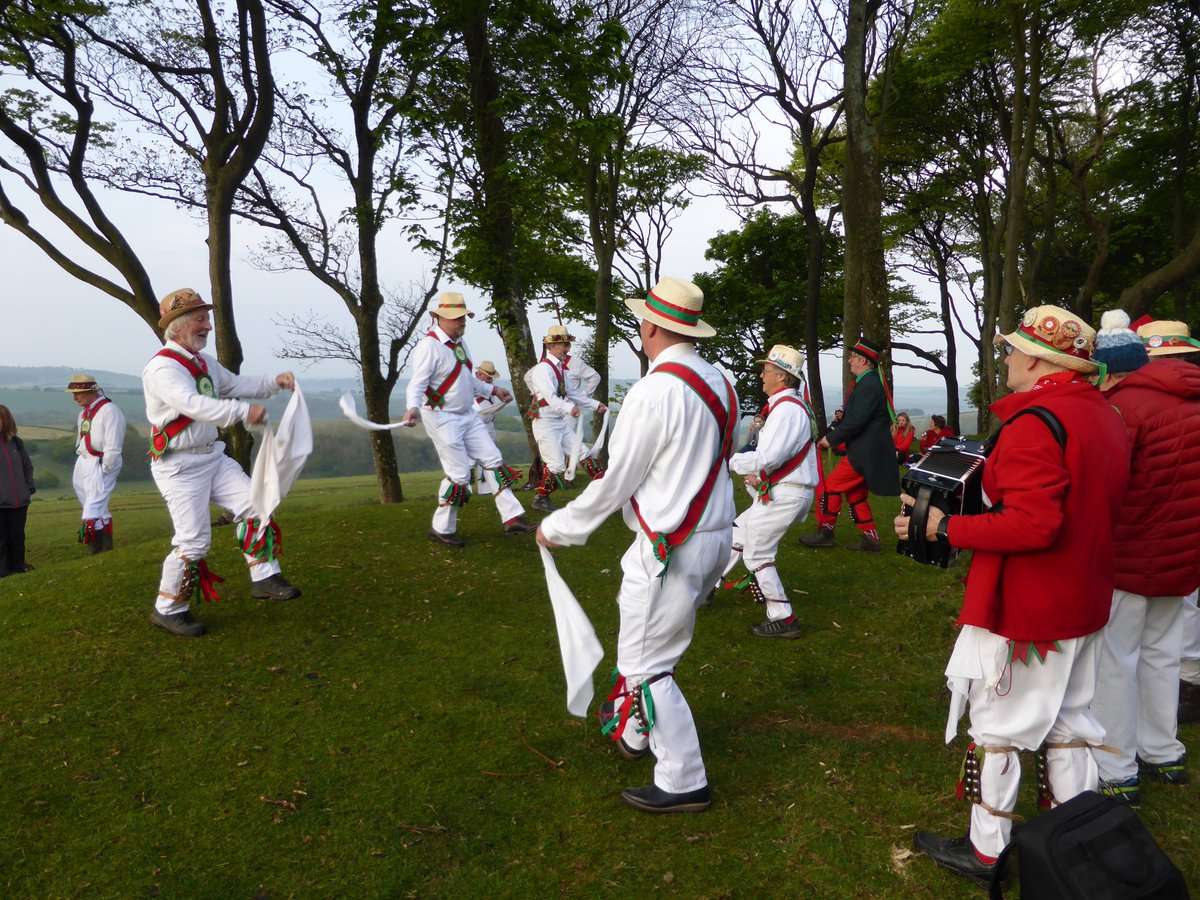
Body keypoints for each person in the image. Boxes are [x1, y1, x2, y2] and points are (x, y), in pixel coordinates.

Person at [896, 304, 1130, 889]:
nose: (1004, 358)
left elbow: (1033, 524)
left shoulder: (1034, 421)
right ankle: (1074, 835)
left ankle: (987, 850)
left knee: (999, 724)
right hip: (1084, 596)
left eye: (1010, 350)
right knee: (1071, 720)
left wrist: (944, 528)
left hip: (1031, 608)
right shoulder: (1102, 413)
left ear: (1036, 358)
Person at [537, 276, 736, 814]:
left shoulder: (652, 392)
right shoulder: (721, 381)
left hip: (673, 543)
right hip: (716, 535)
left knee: (649, 664)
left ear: (650, 326)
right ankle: (635, 730)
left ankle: (683, 779)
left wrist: (560, 526)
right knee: (647, 642)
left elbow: (617, 480)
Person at [1087, 311, 1200, 803]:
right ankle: (1163, 749)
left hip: (1131, 551)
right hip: (1185, 553)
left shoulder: (1124, 406)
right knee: (1162, 655)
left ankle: (1116, 764)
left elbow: (1107, 484)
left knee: (1115, 660)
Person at [143, 288, 302, 638]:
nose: (208, 326)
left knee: (256, 505)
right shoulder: (162, 369)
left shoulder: (202, 362)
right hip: (180, 467)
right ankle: (167, 608)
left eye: (207, 318)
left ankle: (264, 577)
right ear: (179, 325)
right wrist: (243, 412)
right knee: (193, 543)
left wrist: (274, 382)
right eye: (200, 319)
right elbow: (193, 404)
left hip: (213, 457)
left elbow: (234, 384)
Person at [402, 292, 536, 545]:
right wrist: (413, 408)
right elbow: (417, 384)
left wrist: (493, 390)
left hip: (468, 415)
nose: (463, 322)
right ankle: (441, 528)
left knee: (493, 460)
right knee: (460, 475)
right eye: (458, 318)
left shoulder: (460, 345)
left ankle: (512, 518)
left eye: (464, 317)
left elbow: (468, 381)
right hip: (442, 418)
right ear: (441, 318)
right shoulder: (428, 347)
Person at [724, 345, 818, 638]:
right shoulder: (786, 407)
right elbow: (775, 458)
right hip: (784, 490)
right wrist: (761, 476)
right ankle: (705, 588)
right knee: (738, 531)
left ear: (781, 376)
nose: (762, 374)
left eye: (766, 370)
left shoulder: (787, 411)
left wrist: (727, 460)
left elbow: (767, 457)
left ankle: (784, 618)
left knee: (757, 552)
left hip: (787, 494)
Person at [800, 337, 899, 552]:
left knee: (832, 486)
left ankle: (826, 532)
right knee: (856, 495)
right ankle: (871, 540)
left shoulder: (869, 385)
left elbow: (858, 420)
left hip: (865, 454)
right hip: (867, 453)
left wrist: (831, 439)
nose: (849, 361)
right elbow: (857, 417)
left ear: (863, 361)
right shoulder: (868, 383)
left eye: (853, 357)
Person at [526, 324, 605, 512]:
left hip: (559, 421)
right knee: (556, 464)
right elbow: (550, 398)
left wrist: (596, 405)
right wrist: (570, 408)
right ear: (552, 346)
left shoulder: (561, 368)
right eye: (564, 344)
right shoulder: (543, 369)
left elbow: (573, 392)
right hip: (545, 423)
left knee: (583, 453)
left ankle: (606, 493)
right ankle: (541, 498)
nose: (568, 348)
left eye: (568, 344)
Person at [66, 374, 126, 554]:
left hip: (100, 460)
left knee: (94, 504)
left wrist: (106, 466)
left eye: (79, 393)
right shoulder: (84, 413)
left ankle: (96, 546)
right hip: (84, 459)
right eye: (73, 394)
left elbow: (113, 443)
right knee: (91, 503)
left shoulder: (109, 410)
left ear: (92, 391)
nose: (75, 397)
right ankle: (103, 548)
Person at [0, 405, 35, 577]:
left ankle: (18, 567)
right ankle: (3, 571)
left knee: (17, 537)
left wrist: (29, 487)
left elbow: (27, 466)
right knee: (1, 539)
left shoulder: (16, 443)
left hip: (19, 500)